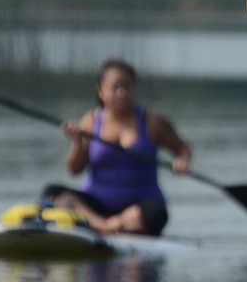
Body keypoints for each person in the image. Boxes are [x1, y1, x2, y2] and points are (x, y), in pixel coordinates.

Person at [42, 58, 192, 236]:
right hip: (96, 205)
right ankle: (104, 225)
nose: (122, 93)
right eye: (115, 87)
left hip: (138, 209)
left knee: (157, 214)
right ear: (101, 91)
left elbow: (182, 149)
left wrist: (182, 161)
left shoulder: (153, 122)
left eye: (127, 87)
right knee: (52, 193)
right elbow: (74, 170)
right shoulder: (90, 121)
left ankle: (106, 224)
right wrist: (77, 142)